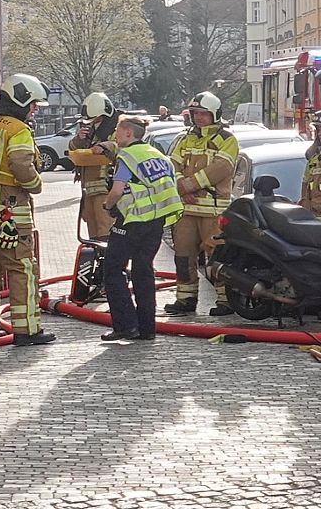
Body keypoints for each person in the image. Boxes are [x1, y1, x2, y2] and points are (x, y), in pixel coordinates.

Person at [0, 73, 53, 345]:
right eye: (34, 104)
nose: (35, 109)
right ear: (22, 99)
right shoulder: (18, 130)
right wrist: (36, 185)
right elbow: (20, 164)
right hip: (8, 215)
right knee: (21, 269)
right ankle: (27, 330)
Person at [99, 114, 181, 341]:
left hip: (132, 222)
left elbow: (117, 191)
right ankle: (147, 329)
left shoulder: (127, 157)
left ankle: (126, 325)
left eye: (117, 132)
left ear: (128, 133)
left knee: (113, 270)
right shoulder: (160, 156)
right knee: (143, 272)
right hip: (155, 224)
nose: (115, 136)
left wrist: (107, 206)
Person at [165, 90, 239, 316]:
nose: (198, 118)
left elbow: (220, 169)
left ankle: (226, 301)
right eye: (195, 113)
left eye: (203, 114)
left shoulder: (227, 140)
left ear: (215, 114)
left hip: (214, 212)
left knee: (217, 257)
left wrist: (187, 186)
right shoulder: (184, 139)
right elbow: (172, 166)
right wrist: (181, 187)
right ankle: (185, 299)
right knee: (183, 256)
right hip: (186, 210)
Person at [64, 92, 120, 242]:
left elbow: (121, 147)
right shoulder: (92, 130)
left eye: (94, 118)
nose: (91, 122)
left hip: (105, 188)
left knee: (105, 225)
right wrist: (79, 139)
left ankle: (106, 253)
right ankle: (95, 250)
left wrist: (105, 147)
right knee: (92, 225)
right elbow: (74, 148)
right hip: (88, 189)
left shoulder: (116, 129)